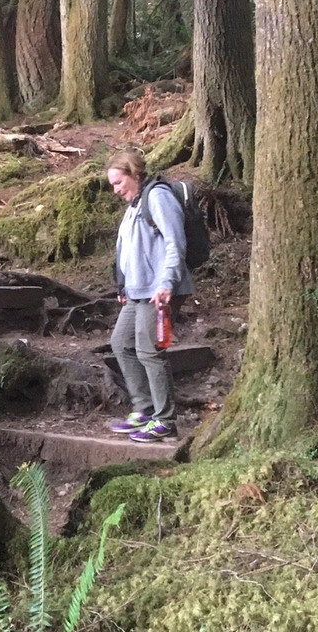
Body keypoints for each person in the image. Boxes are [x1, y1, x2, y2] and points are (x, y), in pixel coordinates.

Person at [105, 148, 193, 443]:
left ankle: (165, 420)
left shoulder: (157, 197)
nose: (116, 190)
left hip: (160, 290)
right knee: (121, 343)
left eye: (118, 183)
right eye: (112, 185)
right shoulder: (134, 206)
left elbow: (174, 242)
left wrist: (166, 283)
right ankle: (143, 409)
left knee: (149, 350)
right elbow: (127, 252)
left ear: (133, 174)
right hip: (137, 292)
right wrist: (123, 287)